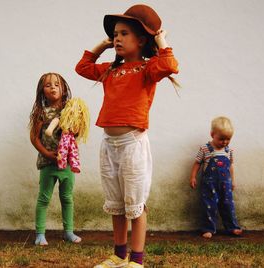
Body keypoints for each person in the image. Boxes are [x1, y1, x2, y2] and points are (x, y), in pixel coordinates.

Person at [75, 4, 179, 268]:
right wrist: (103, 45)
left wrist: (161, 39)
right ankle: (119, 255)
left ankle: (137, 260)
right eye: (115, 34)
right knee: (116, 204)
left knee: (135, 203)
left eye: (124, 33)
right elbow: (82, 67)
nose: (117, 38)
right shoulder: (111, 70)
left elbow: (170, 65)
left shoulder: (148, 69)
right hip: (109, 145)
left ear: (142, 39)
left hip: (132, 144)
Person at [28, 72, 82, 245]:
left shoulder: (70, 110)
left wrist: (76, 126)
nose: (53, 87)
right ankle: (40, 234)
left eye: (57, 84)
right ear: (42, 91)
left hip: (66, 163)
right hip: (48, 163)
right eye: (48, 85)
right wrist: (46, 153)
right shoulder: (41, 113)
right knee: (44, 198)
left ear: (64, 89)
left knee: (67, 198)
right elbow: (34, 137)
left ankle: (68, 232)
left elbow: (77, 133)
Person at [189, 116, 242, 239]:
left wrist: (233, 181)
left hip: (226, 185)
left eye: (228, 139)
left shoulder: (229, 151)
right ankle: (208, 229)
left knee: (228, 205)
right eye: (221, 139)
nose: (224, 142)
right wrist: (193, 177)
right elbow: (197, 163)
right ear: (212, 134)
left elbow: (230, 166)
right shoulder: (205, 149)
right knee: (209, 206)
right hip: (209, 185)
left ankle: (232, 227)